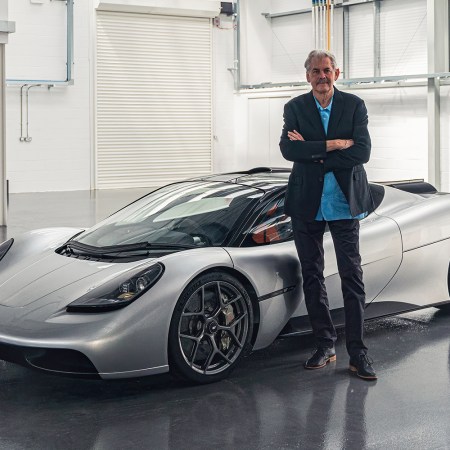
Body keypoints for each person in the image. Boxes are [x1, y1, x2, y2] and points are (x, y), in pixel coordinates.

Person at [279, 49, 376, 380]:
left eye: (327, 70)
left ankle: (358, 352)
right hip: (306, 204)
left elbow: (362, 151)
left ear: (337, 73)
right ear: (307, 76)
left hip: (343, 203)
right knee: (312, 275)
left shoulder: (354, 105)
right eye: (316, 71)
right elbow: (288, 149)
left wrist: (314, 151)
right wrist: (335, 144)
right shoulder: (295, 108)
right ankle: (324, 344)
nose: (322, 76)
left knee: (352, 274)